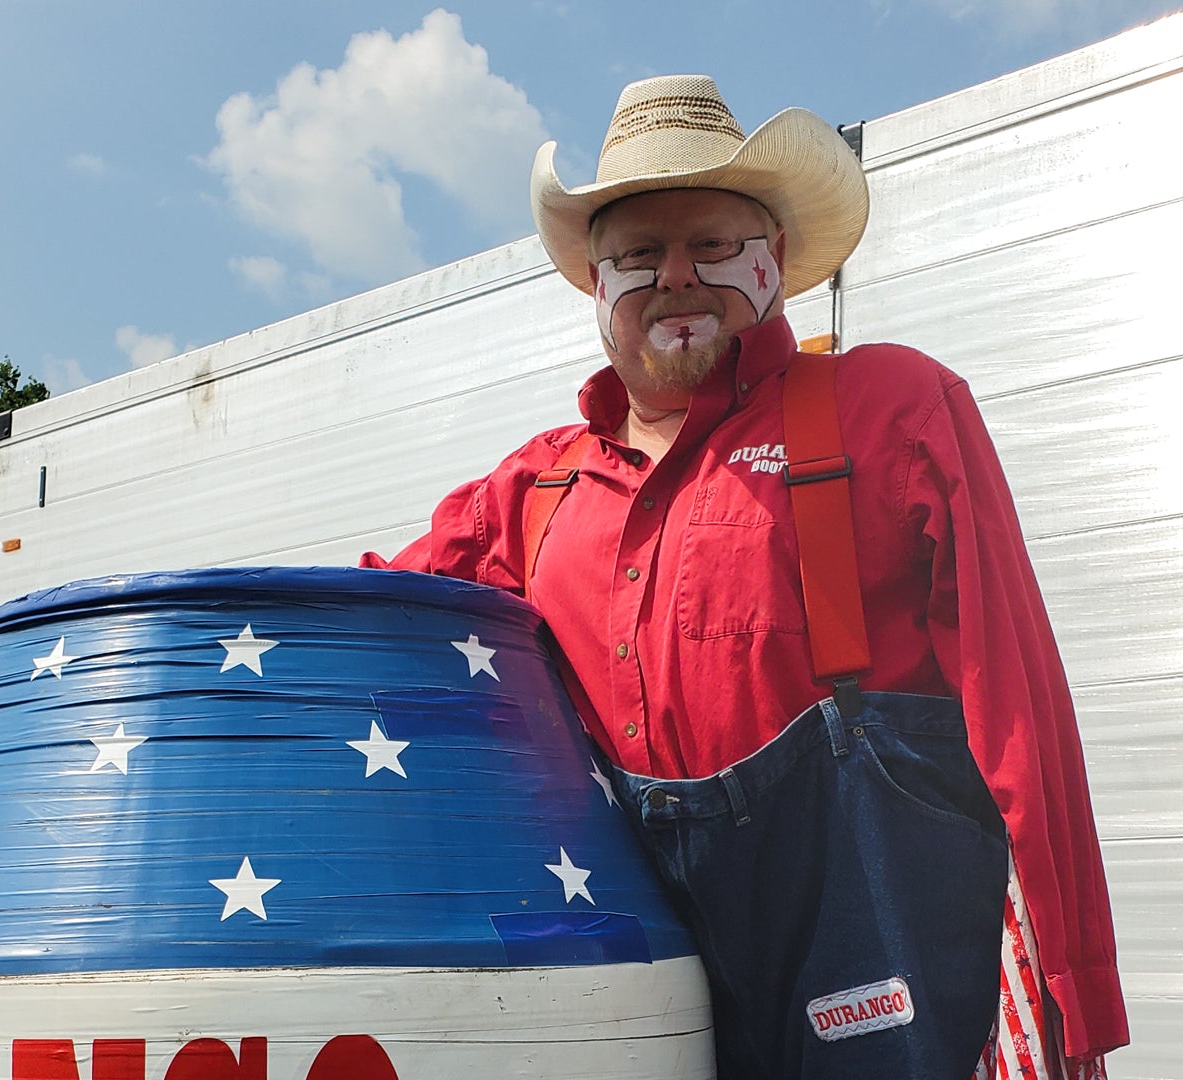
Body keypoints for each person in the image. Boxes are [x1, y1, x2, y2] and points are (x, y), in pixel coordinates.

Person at [365, 75, 1128, 1077]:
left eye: (714, 245)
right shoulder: (532, 490)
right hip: (641, 966)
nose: (676, 275)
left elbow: (1018, 702)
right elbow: (361, 621)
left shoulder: (893, 409)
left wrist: (1068, 987)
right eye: (639, 253)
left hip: (870, 942)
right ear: (599, 285)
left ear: (773, 261)